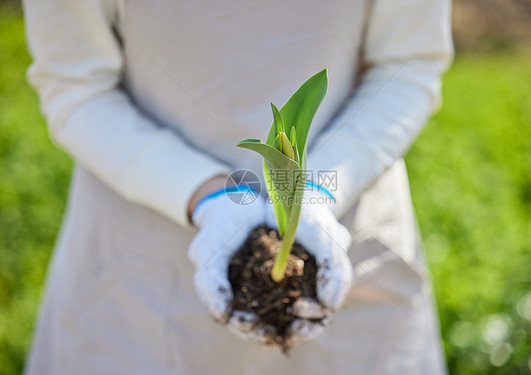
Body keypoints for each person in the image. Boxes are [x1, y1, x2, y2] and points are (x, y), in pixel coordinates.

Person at [23, 0, 453, 373]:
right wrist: (206, 194)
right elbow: (76, 84)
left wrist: (315, 191)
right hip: (144, 263)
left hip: (346, 229)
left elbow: (408, 62)